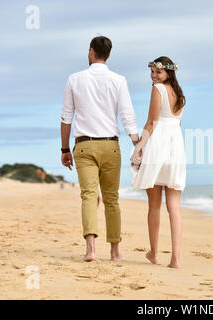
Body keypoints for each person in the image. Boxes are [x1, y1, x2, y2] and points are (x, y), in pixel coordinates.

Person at [60, 36, 139, 262]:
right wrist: (137, 144)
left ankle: (90, 250)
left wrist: (65, 148)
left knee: (88, 196)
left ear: (91, 52)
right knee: (112, 199)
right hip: (111, 145)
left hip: (84, 145)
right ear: (109, 55)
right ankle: (114, 252)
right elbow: (127, 116)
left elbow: (66, 117)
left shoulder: (74, 79)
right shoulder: (119, 80)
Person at [131, 56, 186, 268]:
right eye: (152, 72)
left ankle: (154, 253)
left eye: (158, 72)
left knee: (154, 205)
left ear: (168, 73)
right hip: (176, 149)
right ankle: (175, 259)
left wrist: (138, 147)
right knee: (174, 206)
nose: (154, 76)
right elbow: (176, 125)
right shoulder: (180, 95)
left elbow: (151, 123)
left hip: (158, 148)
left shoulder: (158, 90)